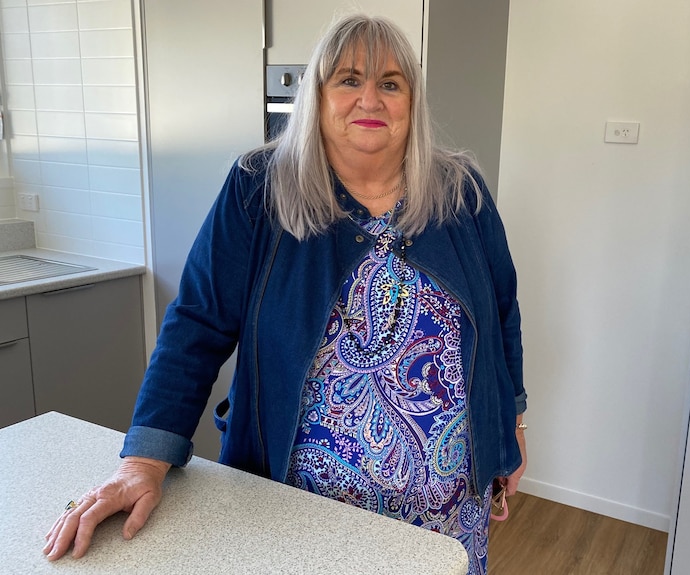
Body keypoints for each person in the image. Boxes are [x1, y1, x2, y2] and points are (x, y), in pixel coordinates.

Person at [43, 14, 526, 574]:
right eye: (348, 79)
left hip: (446, 516)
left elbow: (501, 314)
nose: (370, 98)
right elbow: (197, 324)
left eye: (390, 83)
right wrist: (143, 461)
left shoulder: (461, 193)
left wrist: (510, 428)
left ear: (412, 103)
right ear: (317, 96)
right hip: (296, 509)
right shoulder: (259, 187)